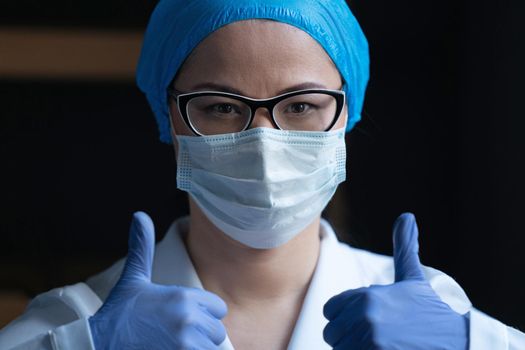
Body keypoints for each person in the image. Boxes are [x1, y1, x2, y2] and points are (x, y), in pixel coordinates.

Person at [1, 0, 524, 349]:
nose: (263, 141)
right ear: (170, 119)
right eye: (221, 108)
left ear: (346, 116)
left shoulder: (430, 316)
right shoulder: (78, 322)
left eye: (300, 106)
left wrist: (471, 342)